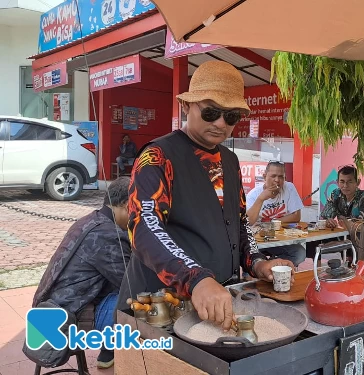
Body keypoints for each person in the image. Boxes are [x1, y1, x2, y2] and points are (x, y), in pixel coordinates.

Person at [115, 61, 294, 332]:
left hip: (218, 301)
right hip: (160, 304)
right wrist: (195, 278)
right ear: (186, 106)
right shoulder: (158, 157)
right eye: (211, 111)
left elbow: (239, 222)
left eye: (231, 116)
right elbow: (144, 227)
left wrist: (257, 263)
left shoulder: (230, 160)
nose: (221, 123)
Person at [30, 176, 132, 369]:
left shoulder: (90, 220)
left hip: (48, 306)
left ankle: (107, 352)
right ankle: (123, 356)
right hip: (66, 321)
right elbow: (130, 283)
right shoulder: (109, 235)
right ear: (127, 205)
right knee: (136, 302)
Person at [246, 161, 306, 266]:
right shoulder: (253, 195)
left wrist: (272, 222)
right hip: (258, 240)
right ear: (264, 176)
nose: (277, 180)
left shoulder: (289, 188)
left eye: (281, 177)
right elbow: (249, 221)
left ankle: (269, 266)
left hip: (280, 239)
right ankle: (264, 266)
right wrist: (261, 198)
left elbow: (296, 216)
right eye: (273, 176)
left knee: (299, 253)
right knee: (248, 255)